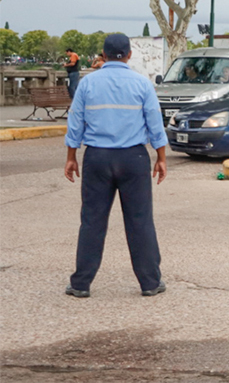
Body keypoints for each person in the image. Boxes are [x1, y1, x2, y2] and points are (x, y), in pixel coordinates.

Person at [63, 33, 168, 299]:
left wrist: (71, 156)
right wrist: (161, 158)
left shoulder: (88, 84)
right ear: (130, 54)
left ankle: (80, 283)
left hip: (97, 158)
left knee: (92, 220)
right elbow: (155, 122)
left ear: (104, 54)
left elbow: (75, 121)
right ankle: (150, 282)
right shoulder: (142, 84)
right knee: (140, 220)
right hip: (133, 159)